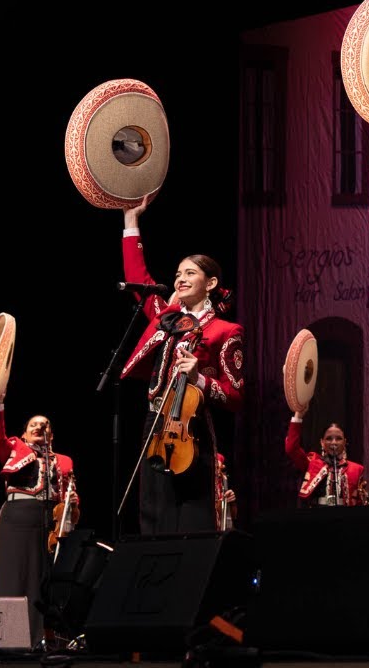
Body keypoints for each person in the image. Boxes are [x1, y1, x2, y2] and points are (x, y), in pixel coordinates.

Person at [121, 201, 244, 534]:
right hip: (155, 418)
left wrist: (200, 379)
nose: (179, 279)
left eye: (190, 273)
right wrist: (131, 220)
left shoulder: (225, 330)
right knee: (153, 511)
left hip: (193, 425)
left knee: (189, 512)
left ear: (211, 282)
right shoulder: (167, 318)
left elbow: (235, 397)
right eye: (177, 274)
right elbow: (138, 278)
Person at [0, 404, 77, 648]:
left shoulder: (65, 461)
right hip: (18, 515)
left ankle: (40, 638)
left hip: (50, 520)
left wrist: (68, 519)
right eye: (33, 424)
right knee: (13, 574)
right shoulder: (15, 449)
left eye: (45, 424)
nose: (39, 426)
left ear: (52, 434)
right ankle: (4, 637)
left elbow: (71, 496)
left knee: (43, 579)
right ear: (24, 434)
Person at [285, 410, 369, 507]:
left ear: (344, 442)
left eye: (338, 439)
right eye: (329, 438)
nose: (334, 442)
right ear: (322, 442)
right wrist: (298, 416)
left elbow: (359, 502)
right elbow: (291, 448)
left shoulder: (356, 469)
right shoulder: (312, 463)